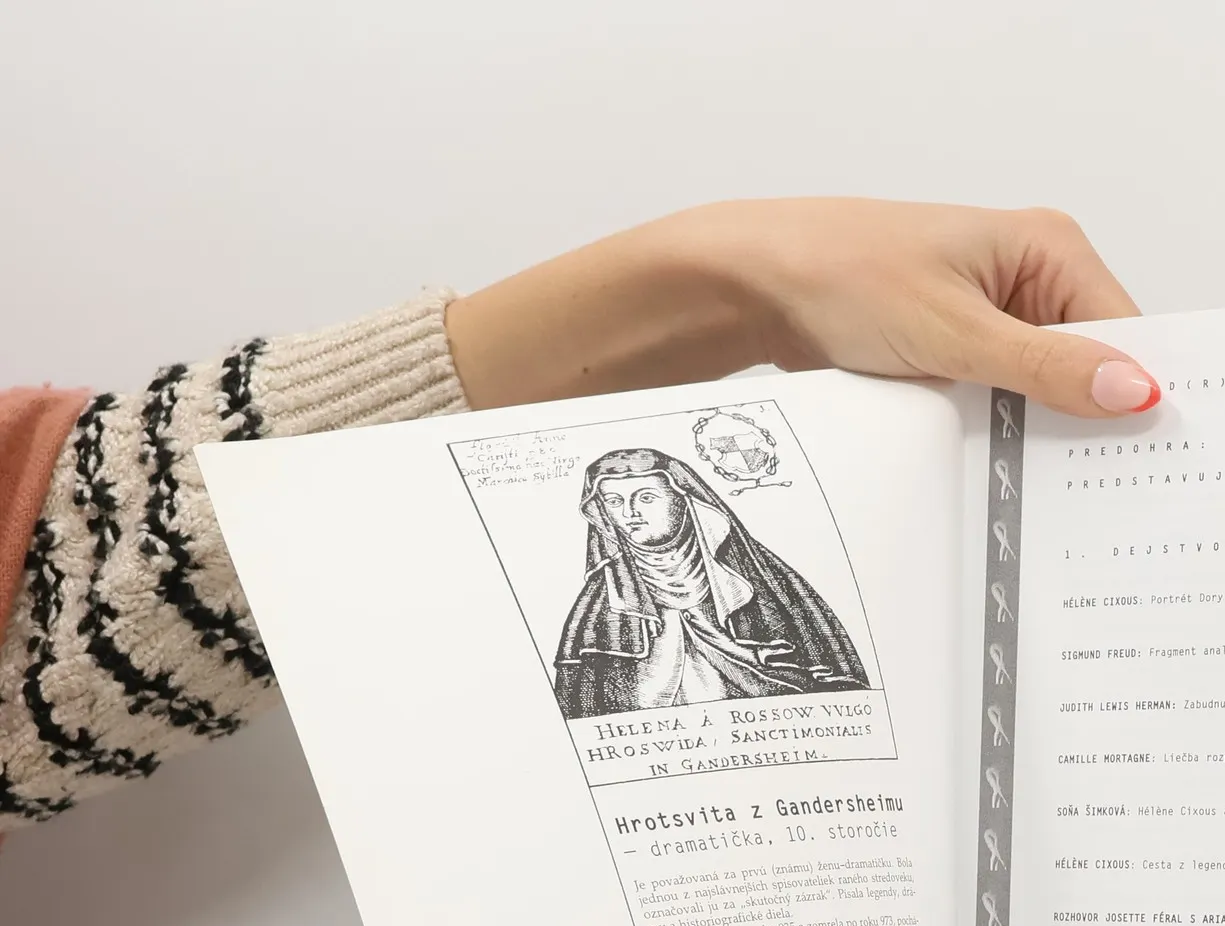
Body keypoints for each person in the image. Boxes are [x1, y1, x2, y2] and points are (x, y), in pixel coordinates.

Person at [0, 199, 1158, 824]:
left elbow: (78, 557)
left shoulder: (782, 587)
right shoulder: (596, 621)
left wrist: (734, 280)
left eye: (650, 486)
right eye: (615, 495)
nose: (635, 506)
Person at [553, 446, 868, 718]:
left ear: (684, 500)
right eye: (612, 501)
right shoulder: (602, 600)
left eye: (646, 498)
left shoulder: (754, 579)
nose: (629, 513)